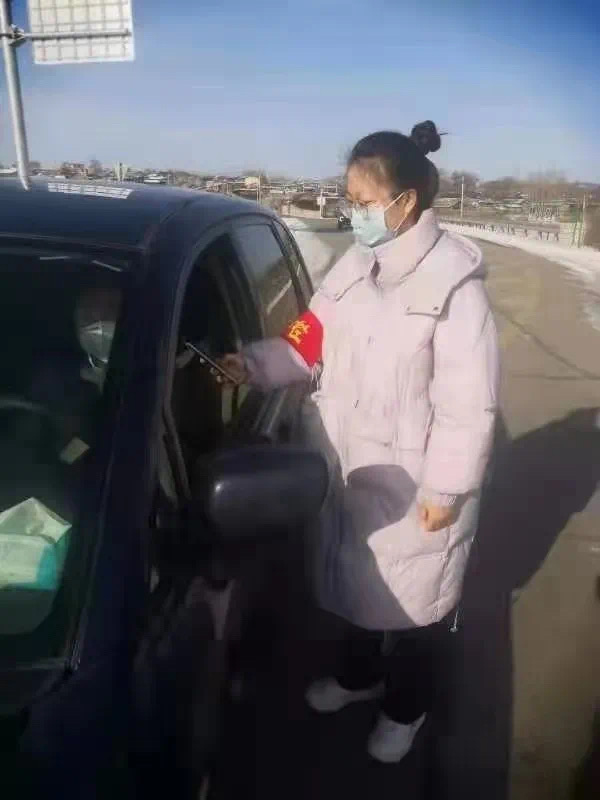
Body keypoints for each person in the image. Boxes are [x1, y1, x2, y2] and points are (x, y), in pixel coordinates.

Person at [221, 120, 500, 763]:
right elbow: (308, 338)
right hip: (350, 470)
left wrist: (447, 490)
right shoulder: (352, 269)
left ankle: (407, 708)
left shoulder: (454, 286)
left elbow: (470, 405)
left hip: (415, 487)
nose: (355, 214)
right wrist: (255, 364)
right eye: (349, 200)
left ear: (406, 202)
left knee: (417, 607)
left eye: (365, 202)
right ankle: (358, 676)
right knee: (355, 588)